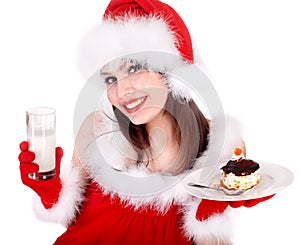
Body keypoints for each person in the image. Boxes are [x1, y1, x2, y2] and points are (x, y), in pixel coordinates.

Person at [18, 0, 273, 244]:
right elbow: (74, 222)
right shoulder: (97, 132)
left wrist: (209, 217)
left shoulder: (220, 146)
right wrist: (51, 194)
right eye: (110, 79)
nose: (122, 90)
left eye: (133, 69)